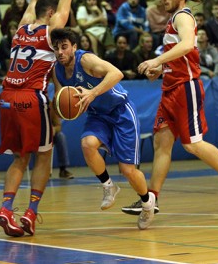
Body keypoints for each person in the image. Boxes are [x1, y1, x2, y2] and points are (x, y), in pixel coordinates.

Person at [123, 0, 218, 216]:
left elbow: (188, 44)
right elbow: (179, 56)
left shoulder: (183, 16)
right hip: (170, 87)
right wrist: (160, 68)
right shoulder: (172, 20)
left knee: (192, 144)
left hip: (185, 87)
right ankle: (151, 199)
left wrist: (157, 58)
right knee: (162, 142)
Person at [0, 0, 73, 237]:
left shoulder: (21, 28)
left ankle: (6, 208)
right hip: (30, 97)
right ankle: (30, 213)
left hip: (5, 97)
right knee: (44, 155)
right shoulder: (50, 33)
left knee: (19, 157)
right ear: (51, 14)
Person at [51, 27, 156, 230]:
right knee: (87, 143)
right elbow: (61, 96)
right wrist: (68, 108)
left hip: (121, 112)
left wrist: (92, 93)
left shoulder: (86, 60)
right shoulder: (58, 70)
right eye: (56, 48)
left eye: (64, 47)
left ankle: (147, 203)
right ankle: (109, 187)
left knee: (127, 170)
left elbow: (116, 74)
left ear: (74, 47)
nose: (60, 52)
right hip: (98, 115)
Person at [51, 112, 74, 179]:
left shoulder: (50, 107)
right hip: (36, 135)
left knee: (60, 136)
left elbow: (58, 126)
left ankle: (63, 169)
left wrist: (54, 129)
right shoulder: (31, 107)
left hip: (49, 135)